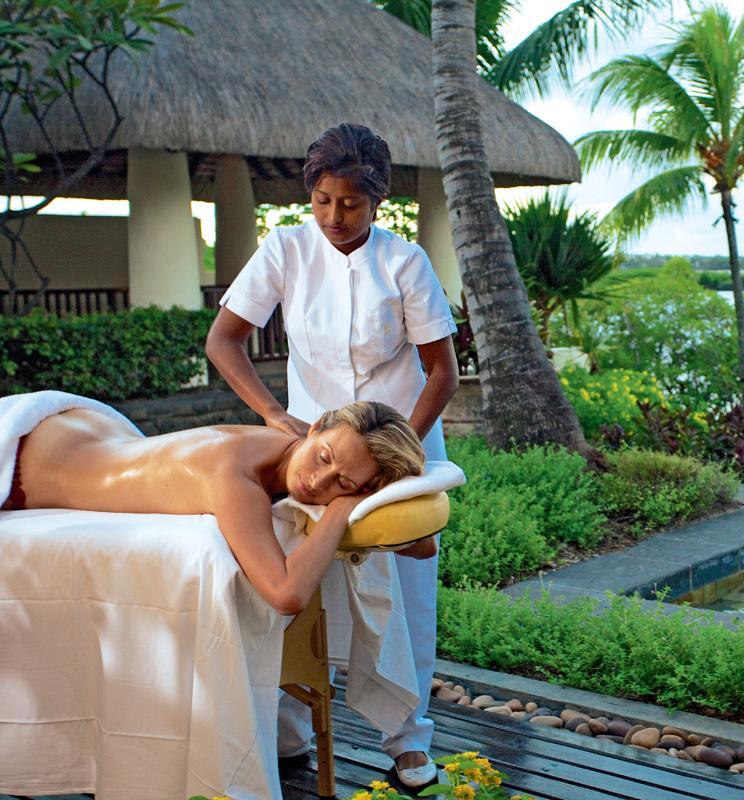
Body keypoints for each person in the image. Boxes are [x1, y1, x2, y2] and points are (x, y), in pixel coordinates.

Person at [205, 122, 458, 787]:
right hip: (314, 461)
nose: (334, 217)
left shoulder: (405, 263)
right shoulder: (285, 250)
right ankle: (290, 733)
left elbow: (442, 373)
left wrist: (400, 453)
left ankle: (408, 742)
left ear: (377, 200)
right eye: (322, 200)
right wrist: (271, 414)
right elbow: (224, 341)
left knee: (404, 601)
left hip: (400, 459)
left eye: (350, 203)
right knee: (300, 585)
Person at [4, 399, 424, 617]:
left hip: (85, 432)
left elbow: (423, 546)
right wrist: (340, 507)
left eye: (343, 484)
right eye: (323, 457)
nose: (317, 482)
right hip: (28, 459)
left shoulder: (278, 451)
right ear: (314, 428)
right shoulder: (232, 473)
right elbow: (286, 595)